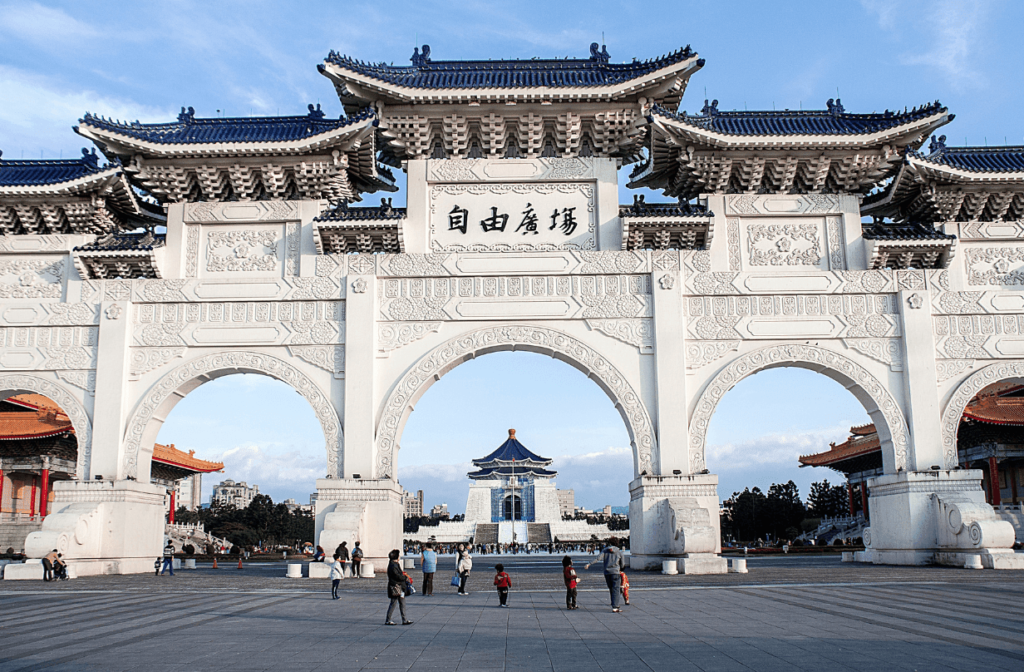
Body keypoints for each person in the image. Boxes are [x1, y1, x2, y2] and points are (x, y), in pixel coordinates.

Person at [585, 537, 624, 612]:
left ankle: (614, 603)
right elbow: (622, 564)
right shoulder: (619, 552)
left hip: (607, 572)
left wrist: (589, 564)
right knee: (616, 588)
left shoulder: (605, 551)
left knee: (611, 588)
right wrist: (621, 569)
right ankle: (615, 606)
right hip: (615, 572)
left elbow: (598, 558)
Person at [385, 549, 413, 626]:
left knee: (402, 603)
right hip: (396, 587)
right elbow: (397, 576)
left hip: (400, 587)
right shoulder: (393, 566)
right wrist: (404, 577)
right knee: (393, 603)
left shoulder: (395, 564)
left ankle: (404, 619)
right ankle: (388, 620)